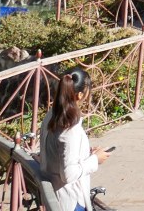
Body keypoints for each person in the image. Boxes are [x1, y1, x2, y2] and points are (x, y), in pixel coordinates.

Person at [38, 68, 109, 211]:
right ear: (80, 95)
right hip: (69, 200)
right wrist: (95, 160)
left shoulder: (52, 115)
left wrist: (87, 153)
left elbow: (58, 151)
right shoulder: (70, 127)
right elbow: (68, 175)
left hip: (52, 194)